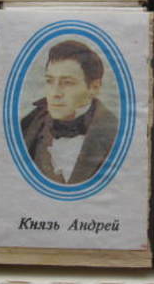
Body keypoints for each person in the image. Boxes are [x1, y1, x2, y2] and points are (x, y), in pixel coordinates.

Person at [20, 39, 118, 184]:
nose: (55, 93)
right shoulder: (27, 127)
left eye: (67, 83)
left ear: (94, 87)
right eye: (50, 81)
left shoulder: (116, 133)